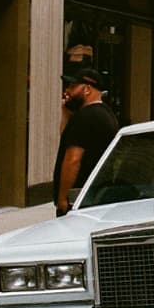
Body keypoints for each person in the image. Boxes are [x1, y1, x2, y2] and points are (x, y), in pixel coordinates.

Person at [52, 67, 119, 216]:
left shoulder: (84, 117)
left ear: (87, 89)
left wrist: (63, 199)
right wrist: (66, 114)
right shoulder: (106, 113)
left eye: (72, 86)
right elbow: (66, 138)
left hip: (78, 198)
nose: (66, 91)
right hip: (96, 194)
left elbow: (72, 160)